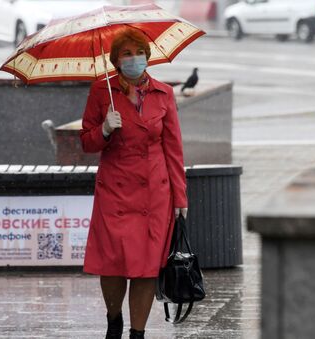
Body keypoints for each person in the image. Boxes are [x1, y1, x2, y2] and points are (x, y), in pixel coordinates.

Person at [80, 27, 188, 339]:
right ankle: (114, 321)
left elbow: (174, 149)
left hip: (155, 194)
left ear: (147, 56)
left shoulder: (164, 93)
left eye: (138, 52)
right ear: (115, 60)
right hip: (115, 190)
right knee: (113, 264)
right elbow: (86, 142)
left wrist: (180, 199)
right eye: (126, 54)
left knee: (146, 266)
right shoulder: (102, 92)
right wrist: (104, 129)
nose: (133, 59)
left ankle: (137, 333)